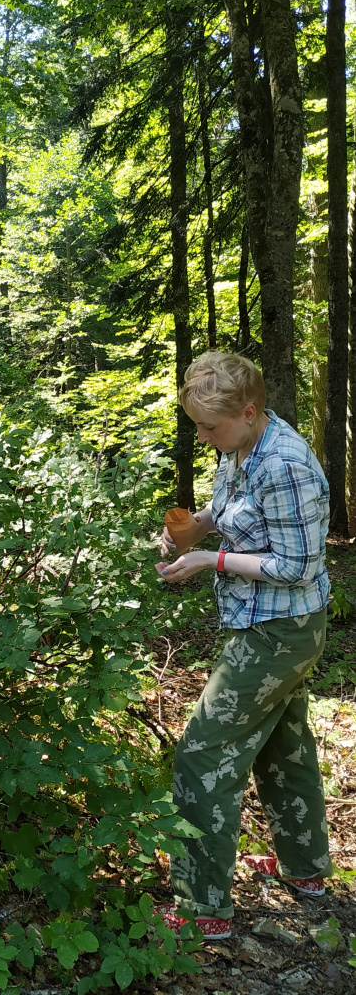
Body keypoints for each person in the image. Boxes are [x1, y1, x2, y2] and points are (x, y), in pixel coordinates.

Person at [154, 351, 332, 940]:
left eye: (210, 426)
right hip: (269, 625)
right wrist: (199, 527)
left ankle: (202, 907)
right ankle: (305, 871)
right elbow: (236, 511)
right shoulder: (241, 450)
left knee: (203, 754)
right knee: (282, 742)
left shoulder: (285, 465)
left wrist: (212, 558)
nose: (203, 437)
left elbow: (299, 564)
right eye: (197, 425)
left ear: (250, 411)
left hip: (280, 630)